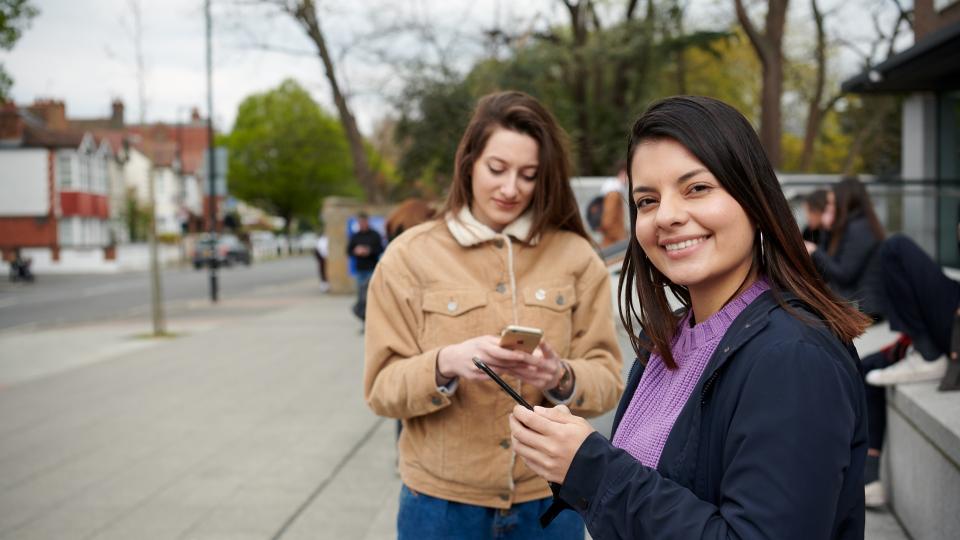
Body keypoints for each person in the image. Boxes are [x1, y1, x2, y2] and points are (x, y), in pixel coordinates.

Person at [508, 96, 870, 539]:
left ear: (753, 197)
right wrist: (573, 459)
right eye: (647, 200)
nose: (668, 216)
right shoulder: (668, 338)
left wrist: (592, 469)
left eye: (696, 188)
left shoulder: (793, 358)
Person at [363, 90, 623, 539]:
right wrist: (445, 363)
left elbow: (607, 382)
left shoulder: (577, 256)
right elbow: (381, 388)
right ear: (469, 164)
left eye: (528, 175)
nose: (510, 189)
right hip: (439, 508)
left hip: (550, 502)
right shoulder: (409, 256)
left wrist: (557, 375)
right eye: (497, 169)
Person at [805, 177, 885, 319]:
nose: (829, 208)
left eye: (832, 203)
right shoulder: (854, 225)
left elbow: (843, 274)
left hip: (866, 310)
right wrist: (826, 230)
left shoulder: (859, 228)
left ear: (844, 200)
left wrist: (815, 251)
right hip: (858, 306)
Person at [347, 212, 383, 322]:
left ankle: (375, 319)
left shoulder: (375, 235)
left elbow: (380, 249)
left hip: (371, 268)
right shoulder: (355, 236)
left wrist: (369, 251)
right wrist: (356, 251)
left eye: (364, 222)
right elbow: (348, 251)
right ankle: (364, 320)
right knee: (361, 297)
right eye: (360, 222)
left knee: (372, 296)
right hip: (360, 269)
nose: (362, 224)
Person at [597, 162, 628, 247]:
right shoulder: (614, 192)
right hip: (614, 237)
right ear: (623, 173)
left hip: (613, 236)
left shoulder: (614, 190)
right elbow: (608, 217)